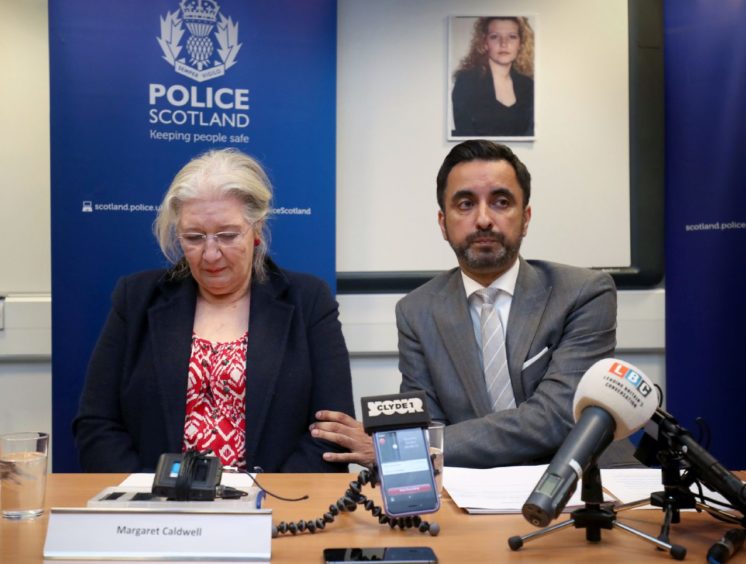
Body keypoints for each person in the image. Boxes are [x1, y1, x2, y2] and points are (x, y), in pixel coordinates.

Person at [312, 140, 620, 469]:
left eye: (501, 202)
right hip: (463, 491)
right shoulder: (417, 311)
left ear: (526, 218)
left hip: (569, 485)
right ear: (443, 223)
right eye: (465, 204)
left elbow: (556, 418)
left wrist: (410, 448)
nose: (484, 219)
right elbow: (425, 420)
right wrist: (416, 444)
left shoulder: (583, 293)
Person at [73, 148, 354, 473]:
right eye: (193, 237)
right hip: (156, 515)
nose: (210, 254)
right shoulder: (135, 299)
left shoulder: (308, 301)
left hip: (274, 512)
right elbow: (96, 424)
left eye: (227, 235)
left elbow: (332, 431)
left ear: (257, 229)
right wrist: (150, 500)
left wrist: (267, 504)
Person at [451, 17, 534, 137]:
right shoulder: (467, 82)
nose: (504, 43)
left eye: (512, 36)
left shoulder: (528, 85)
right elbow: (466, 136)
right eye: (495, 36)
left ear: (520, 44)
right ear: (485, 43)